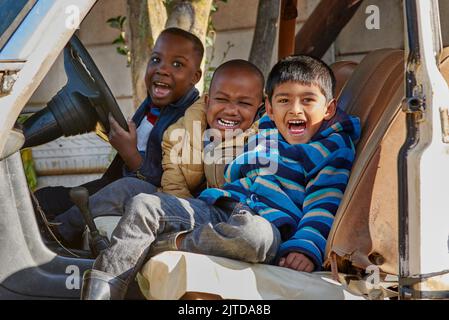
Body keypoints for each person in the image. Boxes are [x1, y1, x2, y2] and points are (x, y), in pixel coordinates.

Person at [80, 55, 361, 300]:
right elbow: (204, 113)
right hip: (220, 207)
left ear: (329, 109)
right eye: (284, 100)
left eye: (308, 101)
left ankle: (168, 243)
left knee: (255, 236)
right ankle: (104, 291)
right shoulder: (265, 129)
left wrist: (305, 248)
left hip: (268, 225)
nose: (295, 110)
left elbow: (323, 204)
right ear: (270, 108)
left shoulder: (330, 149)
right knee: (143, 202)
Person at [52, 59, 265, 247]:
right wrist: (175, 203)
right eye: (222, 100)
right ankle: (58, 233)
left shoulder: (259, 144)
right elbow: (172, 180)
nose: (230, 110)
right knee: (128, 187)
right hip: (180, 200)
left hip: (221, 213)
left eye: (244, 103)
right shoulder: (184, 131)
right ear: (208, 101)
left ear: (260, 108)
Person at [34, 27, 204, 220]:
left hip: (147, 196)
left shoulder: (190, 119)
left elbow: (169, 182)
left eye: (177, 64)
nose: (162, 69)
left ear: (195, 77)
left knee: (122, 189)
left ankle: (61, 232)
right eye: (156, 60)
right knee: (44, 199)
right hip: (114, 183)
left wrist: (130, 153)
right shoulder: (152, 104)